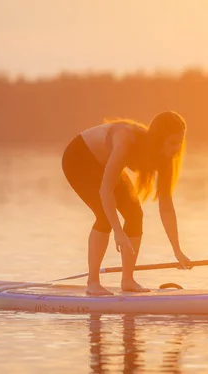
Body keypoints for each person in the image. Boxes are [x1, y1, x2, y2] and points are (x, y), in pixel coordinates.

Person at [61, 110, 192, 296]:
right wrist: (118, 232)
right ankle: (93, 283)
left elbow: (166, 205)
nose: (177, 147)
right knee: (104, 216)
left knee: (135, 214)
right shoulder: (126, 140)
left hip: (104, 163)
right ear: (158, 139)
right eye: (173, 142)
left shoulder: (165, 158)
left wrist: (177, 250)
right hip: (79, 158)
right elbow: (105, 191)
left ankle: (128, 280)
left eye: (180, 141)